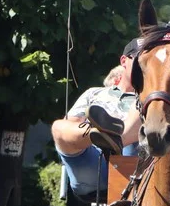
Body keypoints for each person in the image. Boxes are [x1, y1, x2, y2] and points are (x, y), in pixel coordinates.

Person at [51, 36, 144, 196]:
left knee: (143, 103)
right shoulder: (95, 93)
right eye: (140, 58)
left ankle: (116, 137)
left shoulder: (153, 97)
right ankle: (104, 135)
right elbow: (71, 126)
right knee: (58, 127)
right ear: (124, 61)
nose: (144, 64)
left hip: (136, 163)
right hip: (94, 163)